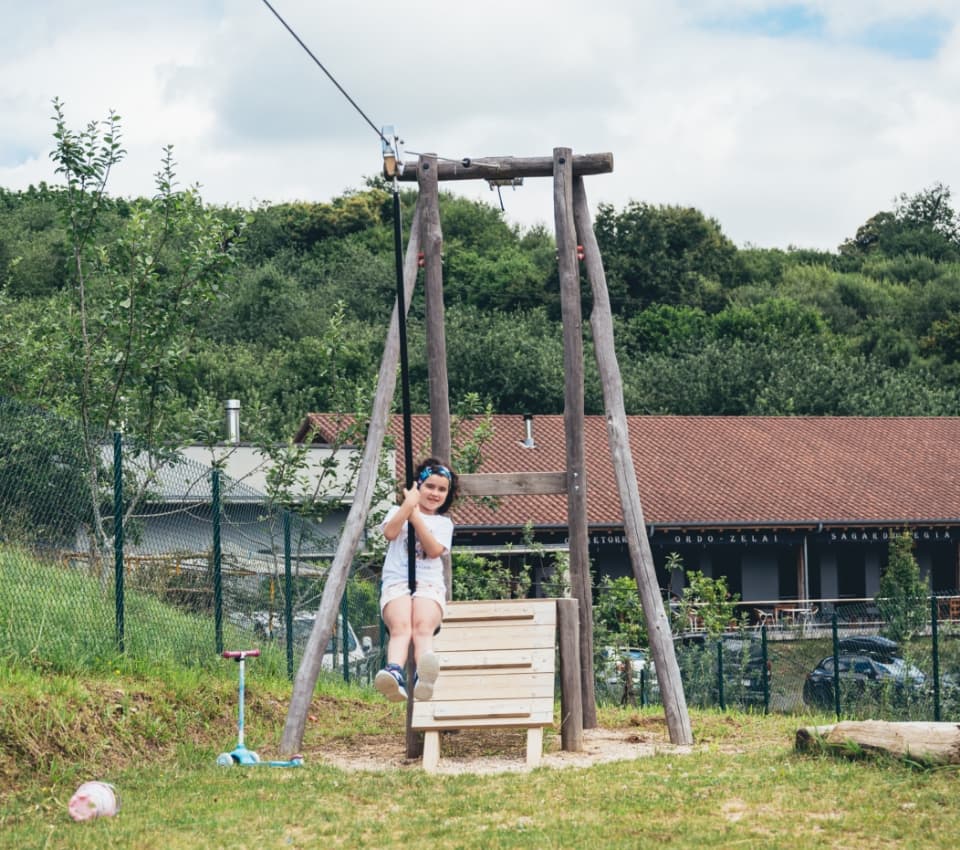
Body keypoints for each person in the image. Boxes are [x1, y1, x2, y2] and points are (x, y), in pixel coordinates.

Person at [374, 457, 458, 702]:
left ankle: (424, 675)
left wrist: (417, 518)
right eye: (430, 486)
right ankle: (394, 672)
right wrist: (407, 507)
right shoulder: (396, 512)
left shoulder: (443, 523)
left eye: (442, 489)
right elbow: (390, 533)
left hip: (428, 585)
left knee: (423, 627)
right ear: (416, 487)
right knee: (401, 627)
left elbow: (433, 550)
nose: (435, 493)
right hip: (397, 582)